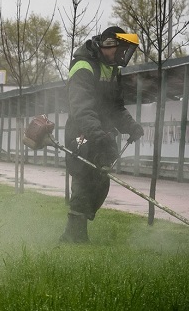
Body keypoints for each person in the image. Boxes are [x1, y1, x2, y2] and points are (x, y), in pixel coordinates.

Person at [61, 26, 144, 243]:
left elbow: (116, 107)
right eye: (121, 48)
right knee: (83, 178)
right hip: (82, 131)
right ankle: (73, 236)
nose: (123, 54)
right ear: (107, 45)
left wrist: (131, 126)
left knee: (100, 182)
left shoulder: (113, 70)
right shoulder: (83, 66)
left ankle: (79, 228)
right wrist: (95, 133)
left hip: (102, 133)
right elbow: (81, 106)